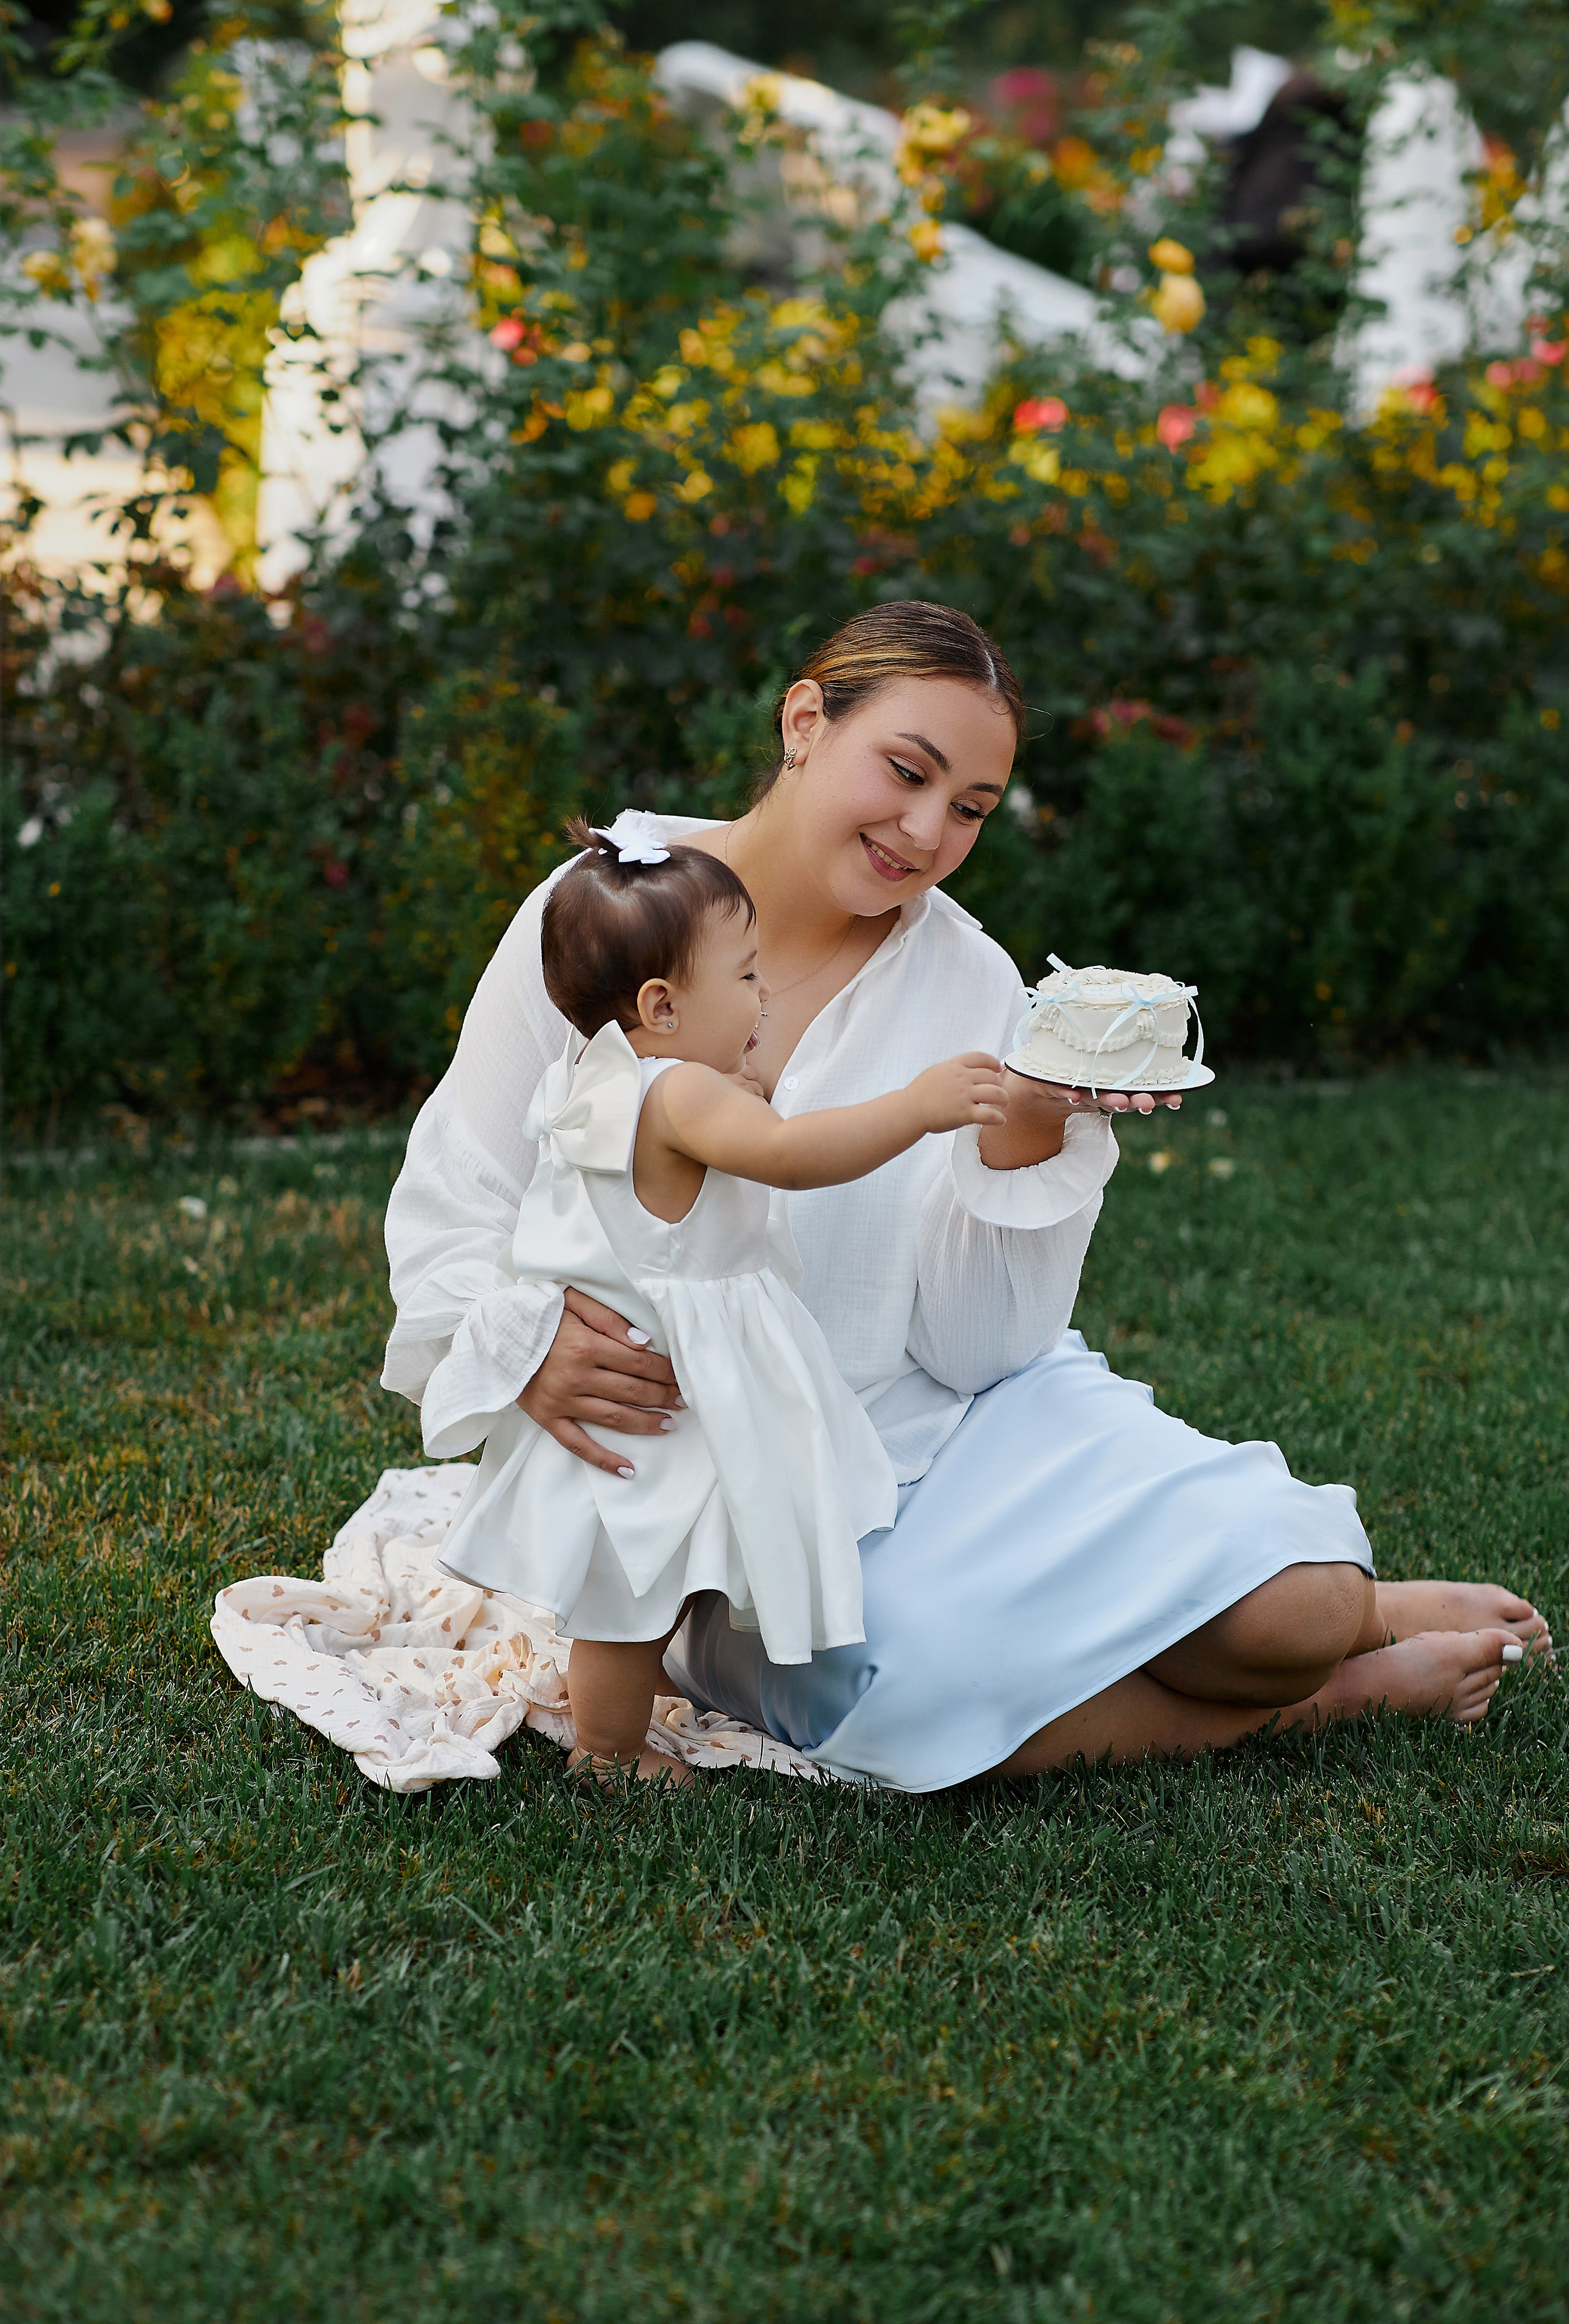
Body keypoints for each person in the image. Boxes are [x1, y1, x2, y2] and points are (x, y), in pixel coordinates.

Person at [383, 601, 1550, 1791]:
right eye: (905, 771)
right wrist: (524, 1345)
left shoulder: (968, 978)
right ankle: (1336, 1700)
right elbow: (459, 1195)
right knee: (921, 1709)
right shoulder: (600, 914)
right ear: (803, 722)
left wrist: (1031, 1130)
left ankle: (1341, 1621)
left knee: (1293, 1614)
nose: (925, 831)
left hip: (956, 1423)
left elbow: (977, 1348)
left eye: (971, 810)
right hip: (729, 1489)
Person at [435, 809, 1006, 1780]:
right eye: (745, 977)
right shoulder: (680, 1096)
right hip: (669, 1391)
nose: (763, 993)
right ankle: (610, 1758)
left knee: (644, 1585)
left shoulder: (603, 1075)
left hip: (666, 1374)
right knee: (629, 1598)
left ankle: (631, 1705)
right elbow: (786, 1158)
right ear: (661, 1006)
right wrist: (917, 1106)